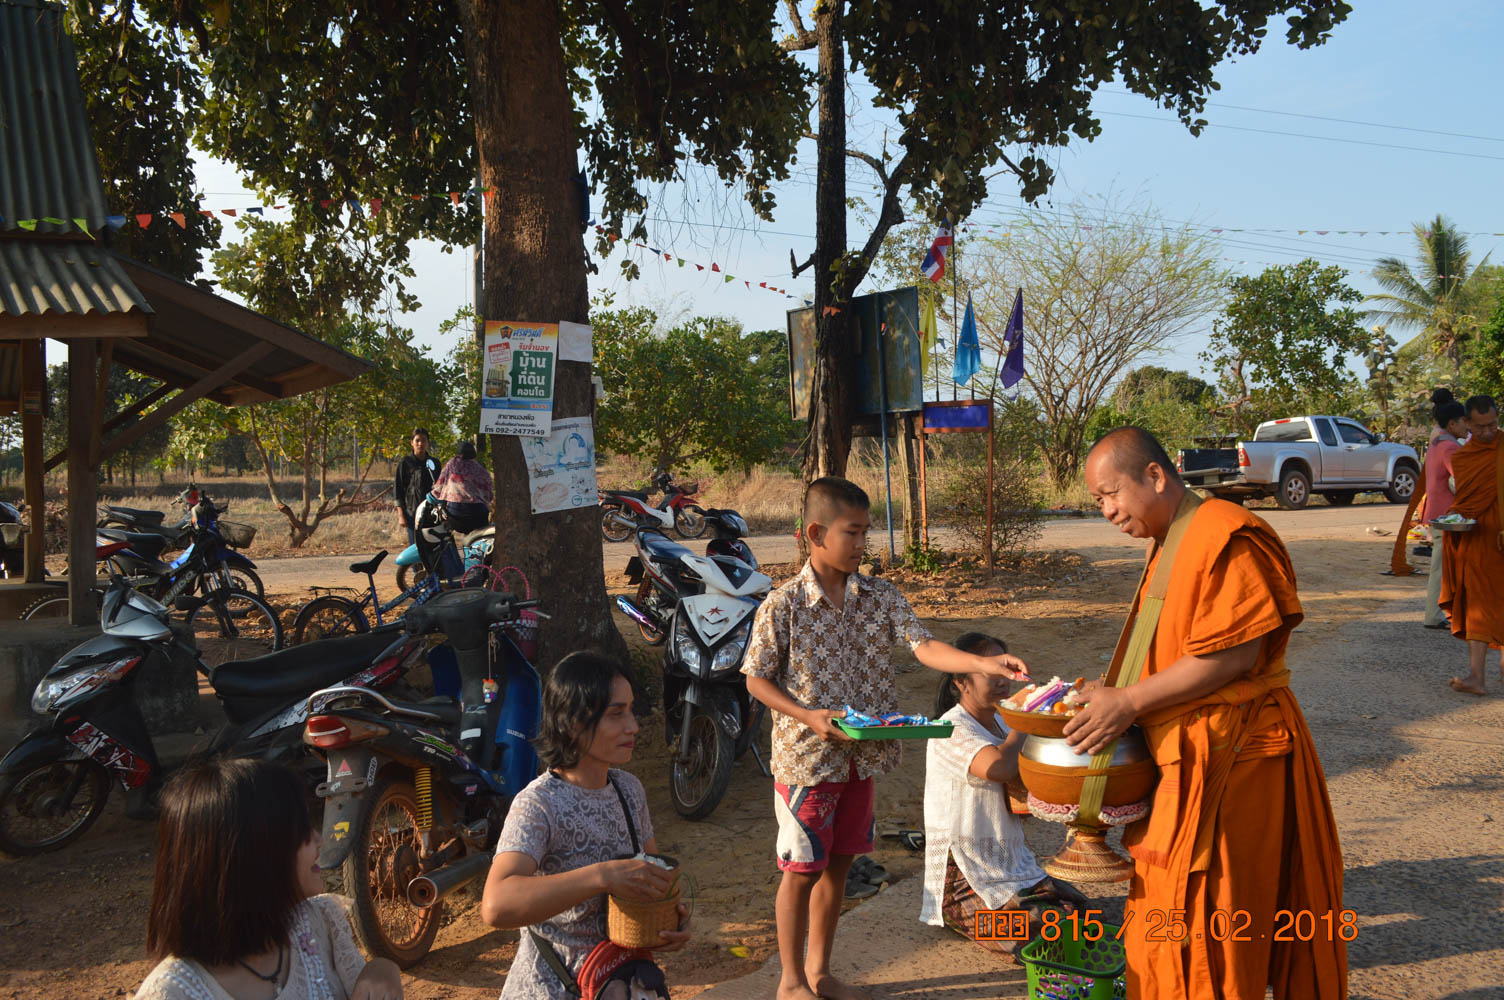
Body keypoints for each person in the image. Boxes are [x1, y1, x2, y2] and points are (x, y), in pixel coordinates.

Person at [1066, 426, 1345, 1000]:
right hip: (1184, 752)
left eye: (1110, 494)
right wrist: (1115, 689)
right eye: (1097, 502)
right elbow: (1173, 643)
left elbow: (1234, 654)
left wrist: (1130, 701)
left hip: (1235, 753)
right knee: (1167, 909)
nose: (1106, 511)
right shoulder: (1171, 538)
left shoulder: (1225, 534)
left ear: (1154, 475)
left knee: (1216, 915)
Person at [741, 477, 1030, 1000]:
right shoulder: (783, 605)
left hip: (863, 759)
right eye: (851, 532)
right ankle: (790, 983)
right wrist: (807, 716)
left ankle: (820, 974)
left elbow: (924, 647)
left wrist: (983, 663)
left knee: (840, 867)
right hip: (808, 763)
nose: (861, 543)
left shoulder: (880, 596)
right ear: (816, 534)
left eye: (865, 532)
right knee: (801, 871)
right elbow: (756, 680)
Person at [481, 652, 690, 1000]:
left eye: (631, 710)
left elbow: (653, 883)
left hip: (619, 983)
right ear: (572, 723)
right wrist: (601, 876)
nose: (633, 726)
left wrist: (671, 922)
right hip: (551, 989)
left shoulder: (629, 790)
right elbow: (496, 904)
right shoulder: (538, 804)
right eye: (616, 713)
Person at [134, 758, 403, 1000]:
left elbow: (365, 982)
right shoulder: (170, 993)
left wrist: (381, 969)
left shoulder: (318, 925)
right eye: (301, 831)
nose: (319, 840)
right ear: (255, 856)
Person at [920, 631, 1084, 959]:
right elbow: (1000, 768)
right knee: (1044, 939)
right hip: (965, 877)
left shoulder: (1001, 721)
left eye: (1005, 670)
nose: (1002, 679)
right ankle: (957, 914)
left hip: (1009, 864)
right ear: (961, 682)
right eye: (989, 671)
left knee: (1080, 914)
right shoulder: (948, 729)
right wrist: (1026, 716)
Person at [1440, 395, 1503, 696]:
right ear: (1467, 423)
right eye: (1480, 427)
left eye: (1493, 425)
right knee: (1477, 604)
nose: (1488, 432)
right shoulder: (1464, 457)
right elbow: (1465, 503)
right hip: (1479, 540)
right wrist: (1452, 522)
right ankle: (1476, 676)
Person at [1423, 398, 1469, 629]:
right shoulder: (1450, 447)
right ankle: (1434, 615)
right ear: (1452, 423)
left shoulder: (1437, 442)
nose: (1467, 426)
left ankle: (1442, 613)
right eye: (1464, 421)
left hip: (1436, 512)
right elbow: (1461, 481)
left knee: (1443, 567)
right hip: (1447, 515)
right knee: (1441, 568)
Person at [433, 439, 494, 534]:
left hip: (457, 516)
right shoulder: (480, 470)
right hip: (479, 516)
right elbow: (489, 496)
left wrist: (431, 496)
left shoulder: (452, 464)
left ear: (458, 453)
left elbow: (439, 486)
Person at [394, 428, 438, 546]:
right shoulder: (405, 463)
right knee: (416, 548)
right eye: (417, 440)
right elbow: (398, 490)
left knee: (432, 547)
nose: (420, 444)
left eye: (424, 440)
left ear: (428, 443)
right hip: (412, 513)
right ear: (412, 443)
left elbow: (441, 488)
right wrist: (401, 515)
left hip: (431, 513)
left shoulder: (434, 463)